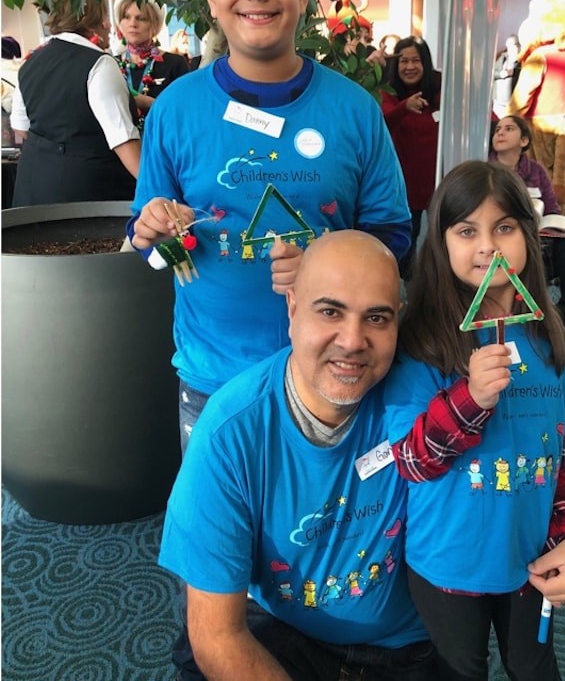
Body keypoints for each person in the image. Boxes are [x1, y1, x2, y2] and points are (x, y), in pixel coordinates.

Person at [128, 0, 411, 451]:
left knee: (324, 532)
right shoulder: (176, 110)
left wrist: (326, 269)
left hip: (334, 370)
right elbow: (153, 249)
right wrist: (153, 234)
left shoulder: (354, 111)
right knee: (219, 532)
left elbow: (394, 236)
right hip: (213, 376)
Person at [159, 230, 437, 680]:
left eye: (377, 318)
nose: (352, 340)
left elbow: (517, 451)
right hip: (280, 632)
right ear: (292, 308)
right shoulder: (230, 432)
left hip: (401, 648)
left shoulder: (421, 403)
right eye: (330, 311)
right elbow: (216, 635)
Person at [383, 160, 565, 681]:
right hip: (447, 565)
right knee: (458, 669)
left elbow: (557, 449)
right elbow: (413, 461)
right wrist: (472, 398)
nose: (488, 246)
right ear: (441, 244)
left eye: (504, 227)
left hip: (530, 559)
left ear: (528, 238)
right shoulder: (421, 345)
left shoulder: (544, 337)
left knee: (534, 666)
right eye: (467, 231)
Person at [10, 0, 140, 206]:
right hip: (86, 194)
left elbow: (21, 127)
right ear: (89, 21)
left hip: (32, 189)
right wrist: (160, 190)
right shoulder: (99, 63)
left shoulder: (31, 63)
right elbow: (123, 139)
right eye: (104, 17)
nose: (108, 25)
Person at [490, 116, 565, 360]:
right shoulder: (486, 170)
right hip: (498, 246)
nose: (500, 133)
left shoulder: (535, 171)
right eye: (497, 130)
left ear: (524, 140)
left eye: (509, 129)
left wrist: (549, 223)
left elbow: (553, 208)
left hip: (538, 243)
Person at [507, 0, 565, 216]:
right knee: (563, 166)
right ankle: (561, 205)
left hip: (540, 119)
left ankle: (541, 208)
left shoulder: (541, 55)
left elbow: (522, 97)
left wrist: (509, 121)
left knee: (537, 166)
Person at [381, 36, 441, 279]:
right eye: (403, 61)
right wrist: (404, 107)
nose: (409, 66)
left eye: (416, 60)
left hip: (439, 179)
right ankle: (406, 291)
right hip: (405, 183)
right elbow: (382, 123)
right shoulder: (388, 91)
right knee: (408, 238)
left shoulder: (439, 85)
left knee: (444, 235)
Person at [115, 0, 189, 129]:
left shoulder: (174, 63)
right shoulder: (110, 64)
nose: (132, 24)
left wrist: (149, 103)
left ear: (154, 24)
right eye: (126, 17)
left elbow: (185, 113)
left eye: (141, 18)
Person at [492, 34, 520, 119]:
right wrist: (501, 74)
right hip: (498, 104)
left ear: (518, 46)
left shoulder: (522, 60)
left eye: (512, 46)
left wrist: (514, 72)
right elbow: (493, 73)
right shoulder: (502, 58)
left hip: (513, 105)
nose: (510, 49)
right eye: (508, 46)